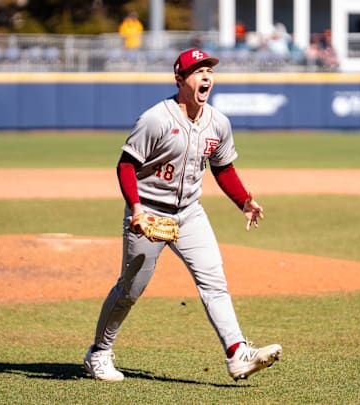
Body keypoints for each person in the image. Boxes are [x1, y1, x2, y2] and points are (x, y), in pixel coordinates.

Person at [83, 48, 283, 382]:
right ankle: (99, 353)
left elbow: (222, 167)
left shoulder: (218, 122)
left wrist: (244, 201)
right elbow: (126, 166)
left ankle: (238, 354)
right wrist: (136, 210)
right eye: (197, 71)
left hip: (190, 213)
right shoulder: (156, 119)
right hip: (148, 214)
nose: (206, 77)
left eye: (210, 71)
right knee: (130, 289)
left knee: (214, 281)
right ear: (180, 80)